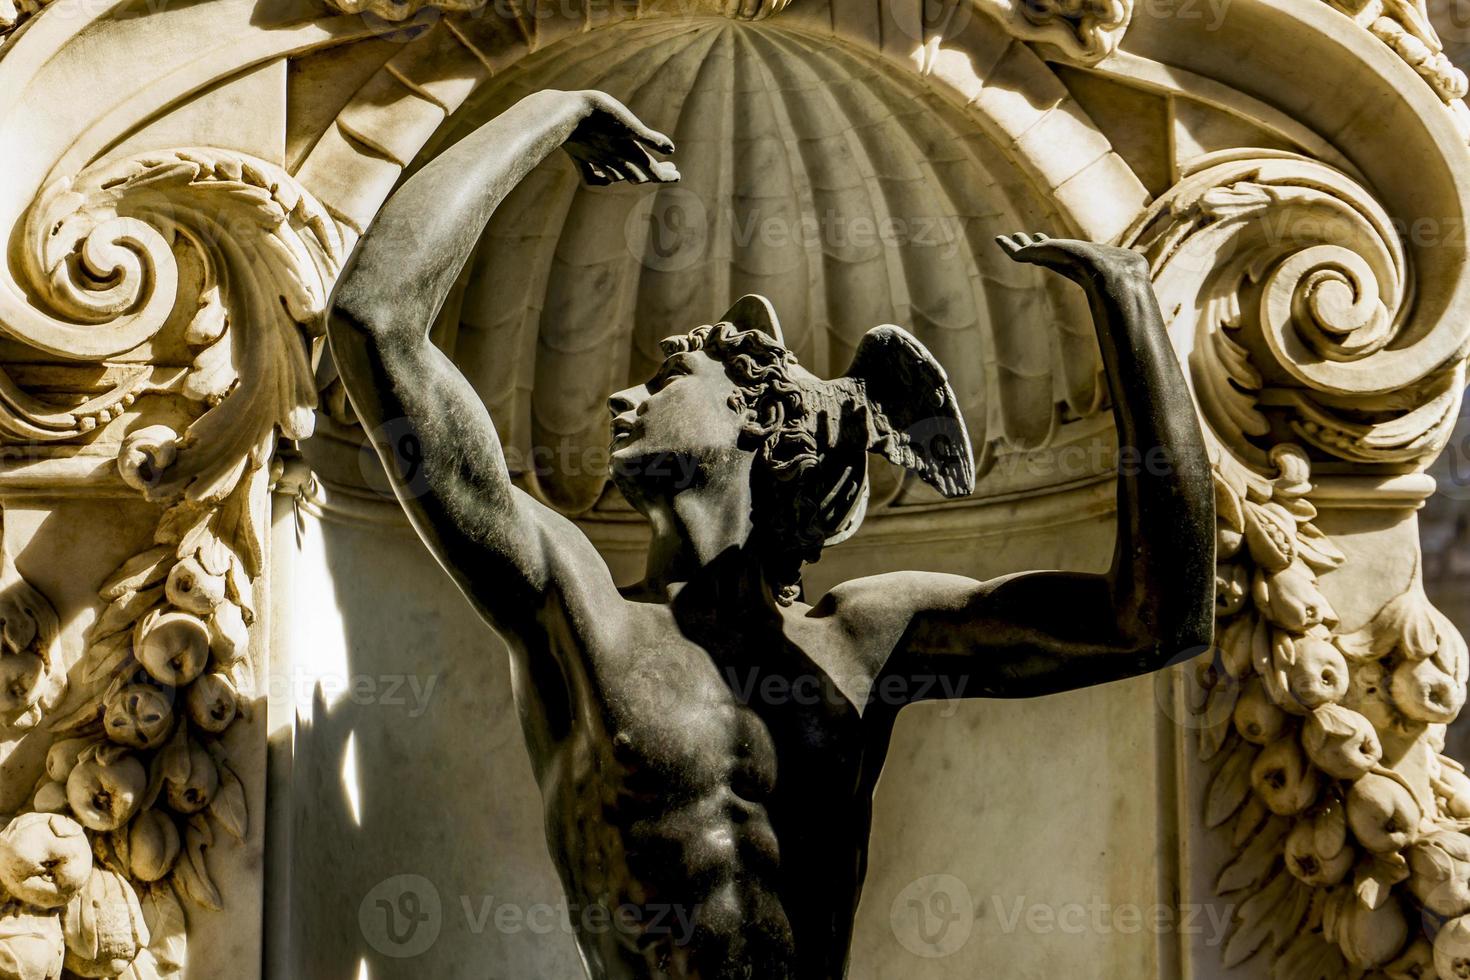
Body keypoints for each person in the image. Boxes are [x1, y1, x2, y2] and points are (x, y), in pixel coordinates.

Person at [326, 88, 1215, 980]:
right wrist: (552, 110)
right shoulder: (577, 606)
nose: (620, 397)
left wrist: (1130, 308)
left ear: (758, 420)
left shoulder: (866, 634)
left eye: (668, 374)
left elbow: (1157, 619)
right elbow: (376, 322)